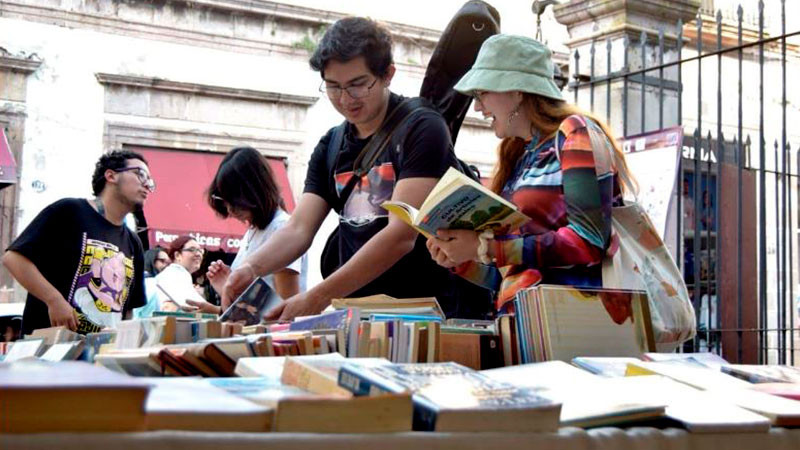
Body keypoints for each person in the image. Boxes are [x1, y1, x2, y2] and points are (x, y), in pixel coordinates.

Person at [222, 17, 483, 320]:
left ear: (387, 75)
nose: (346, 99)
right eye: (333, 87)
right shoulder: (330, 145)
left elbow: (401, 235)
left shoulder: (423, 127)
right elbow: (299, 228)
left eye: (358, 85)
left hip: (422, 312)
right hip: (355, 313)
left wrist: (318, 296)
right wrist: (249, 268)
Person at [426, 35, 637, 312]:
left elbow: (589, 242)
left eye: (482, 93)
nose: (478, 106)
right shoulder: (520, 155)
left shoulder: (575, 133)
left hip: (577, 323)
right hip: (526, 324)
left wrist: (486, 248)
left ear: (518, 91)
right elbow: (514, 275)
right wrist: (461, 258)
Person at [2, 150, 152, 334]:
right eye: (140, 174)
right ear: (111, 175)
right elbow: (13, 258)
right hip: (49, 352)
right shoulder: (69, 211)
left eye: (151, 182)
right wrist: (54, 300)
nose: (147, 185)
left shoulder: (133, 242)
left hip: (98, 355)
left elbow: (127, 309)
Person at [205, 146, 307, 312]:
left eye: (234, 201)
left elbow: (286, 310)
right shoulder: (254, 231)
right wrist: (228, 288)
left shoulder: (281, 228)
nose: (230, 210)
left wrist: (230, 292)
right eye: (225, 201)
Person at [154, 236, 217, 313]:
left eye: (200, 250)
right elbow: (193, 307)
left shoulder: (179, 274)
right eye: (192, 250)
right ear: (177, 255)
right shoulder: (174, 276)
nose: (198, 254)